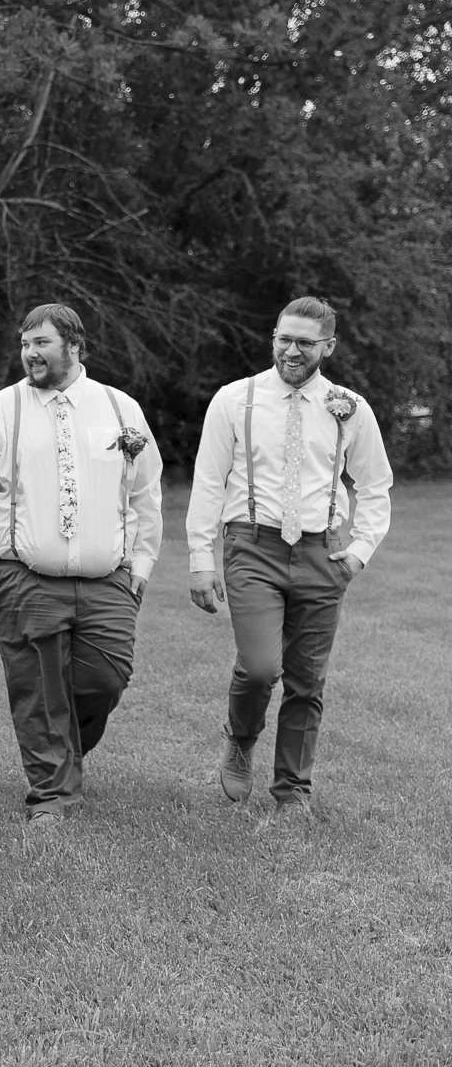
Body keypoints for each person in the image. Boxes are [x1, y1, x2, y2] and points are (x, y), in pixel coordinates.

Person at [0, 304, 163, 825]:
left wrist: (141, 564)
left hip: (107, 577)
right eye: (25, 344)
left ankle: (63, 751)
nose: (30, 353)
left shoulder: (119, 408)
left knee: (106, 679)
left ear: (74, 345)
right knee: (38, 689)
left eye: (41, 343)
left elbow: (146, 492)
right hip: (23, 574)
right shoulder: (3, 409)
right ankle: (51, 796)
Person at [186, 296, 393, 815]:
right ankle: (240, 740)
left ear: (329, 346)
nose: (292, 351)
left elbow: (376, 484)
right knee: (260, 668)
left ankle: (292, 789)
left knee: (307, 680)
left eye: (304, 342)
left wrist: (359, 551)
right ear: (273, 338)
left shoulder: (351, 407)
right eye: (284, 339)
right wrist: (200, 558)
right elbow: (208, 481)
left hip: (323, 552)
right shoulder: (236, 399)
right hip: (253, 546)